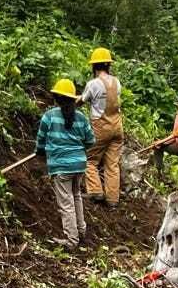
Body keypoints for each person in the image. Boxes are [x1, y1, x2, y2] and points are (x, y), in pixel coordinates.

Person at [36, 78, 95, 247]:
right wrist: (77, 147)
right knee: (76, 197)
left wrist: (40, 151)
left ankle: (71, 239)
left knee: (66, 202)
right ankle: (81, 231)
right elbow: (90, 141)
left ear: (56, 98)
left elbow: (40, 141)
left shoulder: (49, 117)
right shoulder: (81, 118)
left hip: (61, 166)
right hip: (79, 165)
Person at [81, 46, 125, 208]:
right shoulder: (116, 82)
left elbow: (82, 100)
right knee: (112, 164)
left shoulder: (93, 84)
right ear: (108, 65)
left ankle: (95, 192)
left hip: (101, 127)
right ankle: (113, 200)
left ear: (94, 66)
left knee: (90, 159)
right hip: (117, 127)